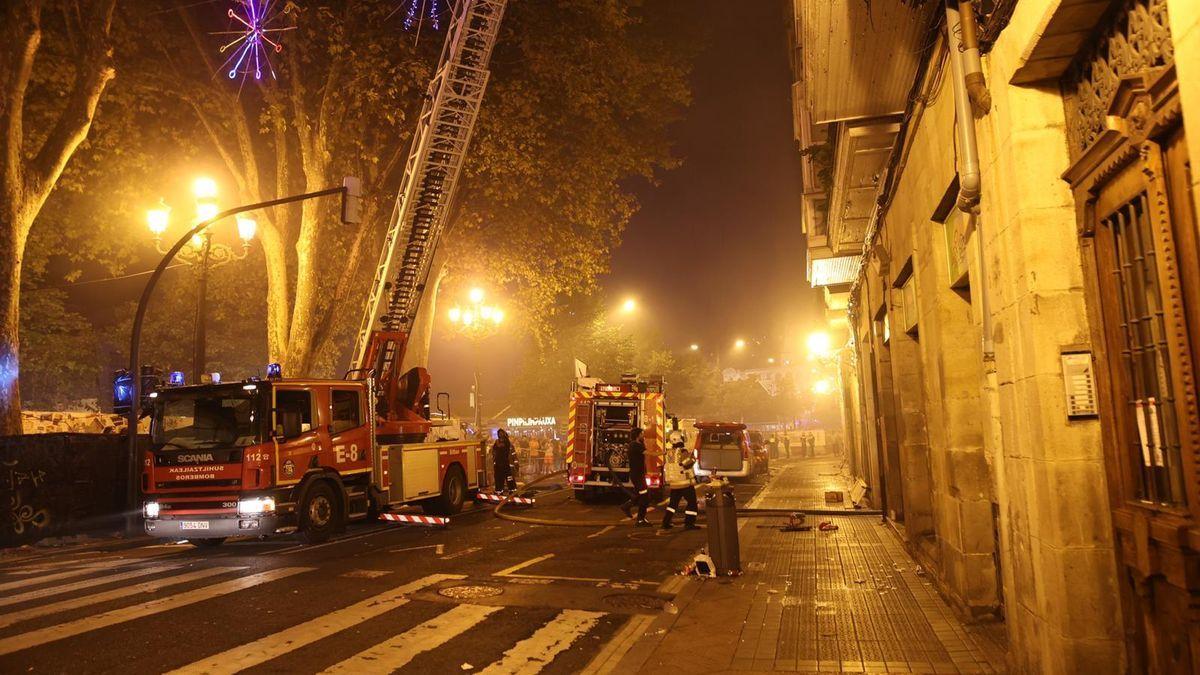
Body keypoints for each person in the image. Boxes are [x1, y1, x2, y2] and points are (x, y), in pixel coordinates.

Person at [661, 431, 699, 530]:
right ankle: (689, 523)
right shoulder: (683, 452)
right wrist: (693, 458)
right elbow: (687, 464)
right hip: (685, 484)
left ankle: (665, 522)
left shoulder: (669, 453)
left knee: (672, 504)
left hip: (674, 484)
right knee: (692, 503)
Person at [620, 427, 653, 526]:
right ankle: (640, 520)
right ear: (638, 435)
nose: (643, 435)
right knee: (645, 497)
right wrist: (662, 453)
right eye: (642, 434)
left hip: (639, 475)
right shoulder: (635, 445)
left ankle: (627, 506)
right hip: (637, 475)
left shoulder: (638, 444)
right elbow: (648, 453)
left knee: (640, 495)